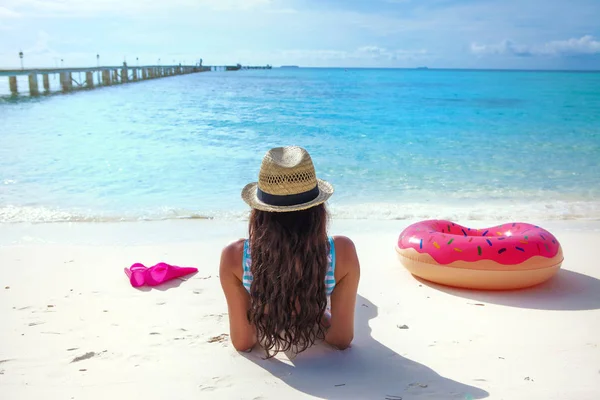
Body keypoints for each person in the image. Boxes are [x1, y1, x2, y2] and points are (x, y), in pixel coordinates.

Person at [219, 146, 360, 357]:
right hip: (318, 292)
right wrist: (315, 313)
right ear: (318, 209)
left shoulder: (234, 256)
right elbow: (340, 340)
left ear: (259, 212)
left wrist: (269, 309)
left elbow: (243, 342)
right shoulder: (342, 252)